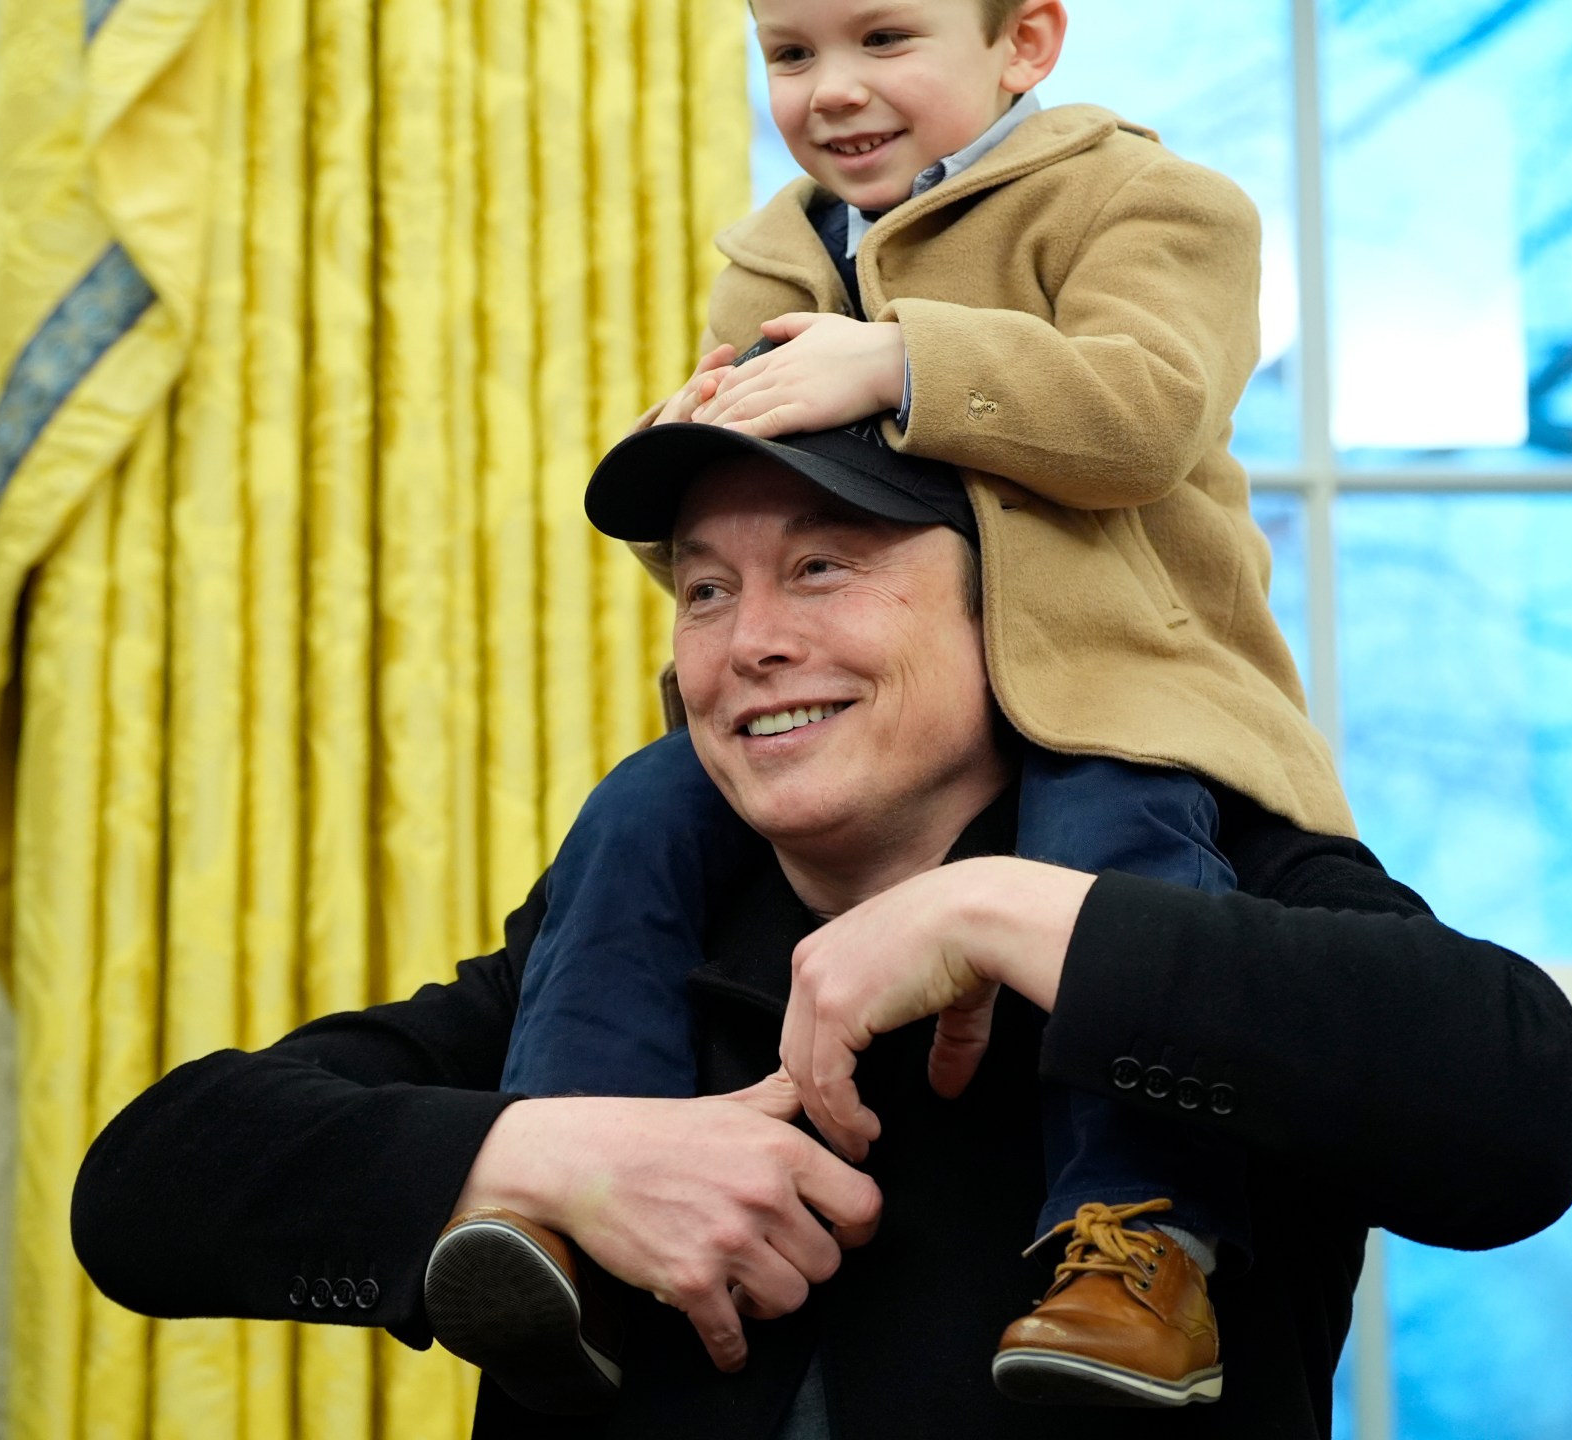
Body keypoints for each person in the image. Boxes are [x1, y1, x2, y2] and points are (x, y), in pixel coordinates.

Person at [68, 427, 1572, 1439]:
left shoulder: (1210, 873)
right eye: (706, 590)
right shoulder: (622, 931)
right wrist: (559, 1158)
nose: (751, 644)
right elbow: (147, 1188)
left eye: (823, 565)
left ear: (1017, 611)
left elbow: (1518, 1110)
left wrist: (999, 911)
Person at [498, 0, 1348, 1409]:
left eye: (885, 39)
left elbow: (1150, 410)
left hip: (1113, 686)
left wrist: (900, 362)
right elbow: (732, 519)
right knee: (634, 818)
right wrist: (688, 447)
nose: (831, 92)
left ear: (1025, 43)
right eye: (790, 55)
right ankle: (574, 1189)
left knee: (1113, 855)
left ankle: (1138, 1245)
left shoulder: (1150, 203)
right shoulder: (779, 249)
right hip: (890, 726)